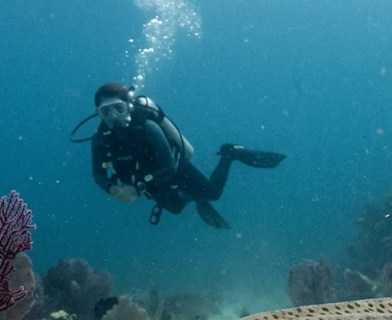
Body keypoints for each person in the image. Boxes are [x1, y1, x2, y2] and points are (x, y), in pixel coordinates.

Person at [80, 82, 285, 228]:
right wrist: (112, 189)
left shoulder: (147, 127)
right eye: (105, 112)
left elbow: (169, 167)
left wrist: (138, 187)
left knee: (213, 194)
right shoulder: (100, 138)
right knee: (176, 208)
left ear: (129, 106)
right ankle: (196, 197)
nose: (113, 117)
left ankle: (230, 154)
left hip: (174, 168)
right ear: (98, 113)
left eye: (118, 108)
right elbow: (97, 174)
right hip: (148, 181)